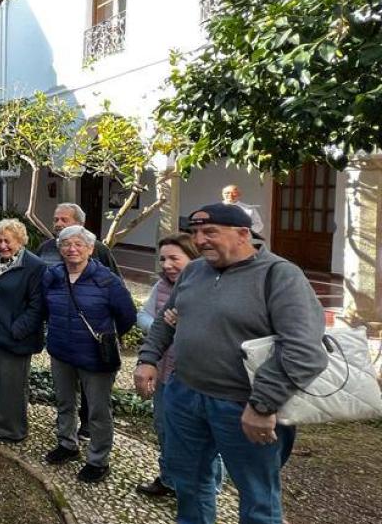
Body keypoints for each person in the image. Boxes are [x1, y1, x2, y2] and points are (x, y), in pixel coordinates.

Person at [135, 203, 327, 524]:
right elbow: (166, 321)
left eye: (211, 232)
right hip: (185, 396)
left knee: (257, 497)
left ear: (243, 234)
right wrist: (148, 359)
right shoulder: (195, 271)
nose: (200, 240)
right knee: (190, 485)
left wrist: (263, 404)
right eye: (195, 233)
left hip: (243, 406)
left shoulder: (279, 275)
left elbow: (304, 349)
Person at [42, 225, 137, 483]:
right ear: (60, 249)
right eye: (66, 245)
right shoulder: (53, 276)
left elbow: (127, 316)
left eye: (78, 244)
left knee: (97, 409)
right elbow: (45, 309)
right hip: (61, 350)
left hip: (95, 356)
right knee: (64, 402)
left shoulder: (106, 280)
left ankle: (98, 459)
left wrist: (107, 336)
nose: (72, 249)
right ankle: (67, 443)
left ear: (90, 249)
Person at [135, 233, 202, 498]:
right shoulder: (161, 287)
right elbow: (143, 316)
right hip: (164, 371)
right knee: (164, 429)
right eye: (163, 259)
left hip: (195, 376)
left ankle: (204, 487)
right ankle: (169, 478)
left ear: (193, 259)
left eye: (174, 258)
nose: (167, 265)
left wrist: (180, 327)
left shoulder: (206, 288)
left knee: (199, 437)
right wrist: (163, 326)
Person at [0, 218, 46, 443]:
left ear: (20, 241)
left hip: (16, 336)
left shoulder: (34, 266)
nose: (2, 245)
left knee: (12, 385)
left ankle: (11, 430)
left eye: (8, 241)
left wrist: (16, 330)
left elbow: (38, 306)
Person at [35, 203, 119, 274]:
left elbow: (117, 284)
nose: (58, 224)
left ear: (80, 224)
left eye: (64, 220)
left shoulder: (98, 248)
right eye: (56, 220)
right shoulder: (45, 248)